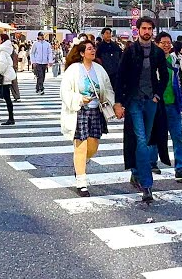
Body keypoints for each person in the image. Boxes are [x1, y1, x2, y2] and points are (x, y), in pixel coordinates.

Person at [111, 16, 172, 202]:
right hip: (134, 101)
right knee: (141, 140)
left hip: (151, 101)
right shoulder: (130, 51)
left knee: (144, 140)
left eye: (149, 28)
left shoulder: (157, 52)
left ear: (152, 31)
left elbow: (164, 76)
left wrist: (157, 95)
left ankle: (137, 171)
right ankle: (147, 185)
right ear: (137, 30)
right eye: (143, 28)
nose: (147, 31)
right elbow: (120, 78)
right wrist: (119, 102)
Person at [60, 39, 116, 196]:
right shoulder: (74, 69)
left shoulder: (99, 69)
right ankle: (81, 181)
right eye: (89, 49)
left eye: (94, 48)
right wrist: (79, 99)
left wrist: (110, 103)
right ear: (82, 53)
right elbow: (65, 91)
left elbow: (108, 88)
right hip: (80, 110)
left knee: (93, 146)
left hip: (96, 111)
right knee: (80, 146)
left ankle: (81, 164)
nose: (93, 51)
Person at [156, 33, 182, 183]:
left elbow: (178, 80)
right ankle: (148, 165)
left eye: (168, 43)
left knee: (178, 137)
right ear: (157, 44)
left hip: (172, 103)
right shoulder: (152, 59)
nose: (166, 45)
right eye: (163, 43)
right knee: (153, 137)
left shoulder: (174, 60)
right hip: (156, 104)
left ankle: (180, 168)